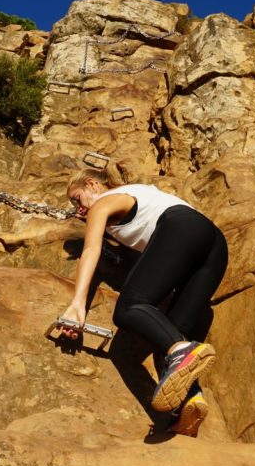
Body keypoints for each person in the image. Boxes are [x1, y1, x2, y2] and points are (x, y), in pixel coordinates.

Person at [56, 169, 229, 437]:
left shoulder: (104, 202)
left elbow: (91, 249)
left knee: (129, 308)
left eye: (76, 199)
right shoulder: (139, 196)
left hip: (181, 228)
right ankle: (190, 399)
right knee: (168, 338)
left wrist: (78, 304)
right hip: (213, 245)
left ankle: (183, 352)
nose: (77, 209)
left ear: (92, 184)